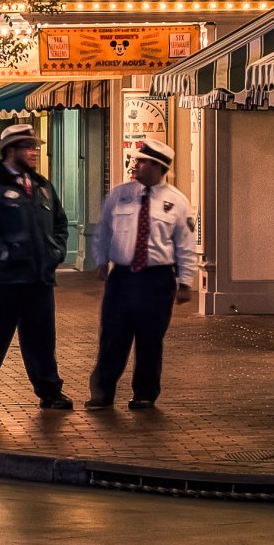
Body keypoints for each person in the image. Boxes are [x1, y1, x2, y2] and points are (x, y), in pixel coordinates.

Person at [0, 123, 72, 414]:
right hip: (1, 280)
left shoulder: (42, 187)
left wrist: (55, 252)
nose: (34, 152)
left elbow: (60, 223)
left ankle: (49, 392)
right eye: (27, 147)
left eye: (34, 147)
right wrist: (6, 252)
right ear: (10, 150)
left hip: (38, 278)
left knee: (42, 339)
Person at [88, 138, 197, 411]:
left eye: (144, 162)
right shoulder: (120, 194)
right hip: (123, 277)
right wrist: (101, 261)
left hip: (157, 279)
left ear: (160, 167)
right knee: (113, 336)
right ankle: (102, 393)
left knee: (150, 339)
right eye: (137, 160)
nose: (137, 165)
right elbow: (104, 231)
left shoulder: (176, 202)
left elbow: (185, 244)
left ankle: (145, 394)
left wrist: (185, 282)